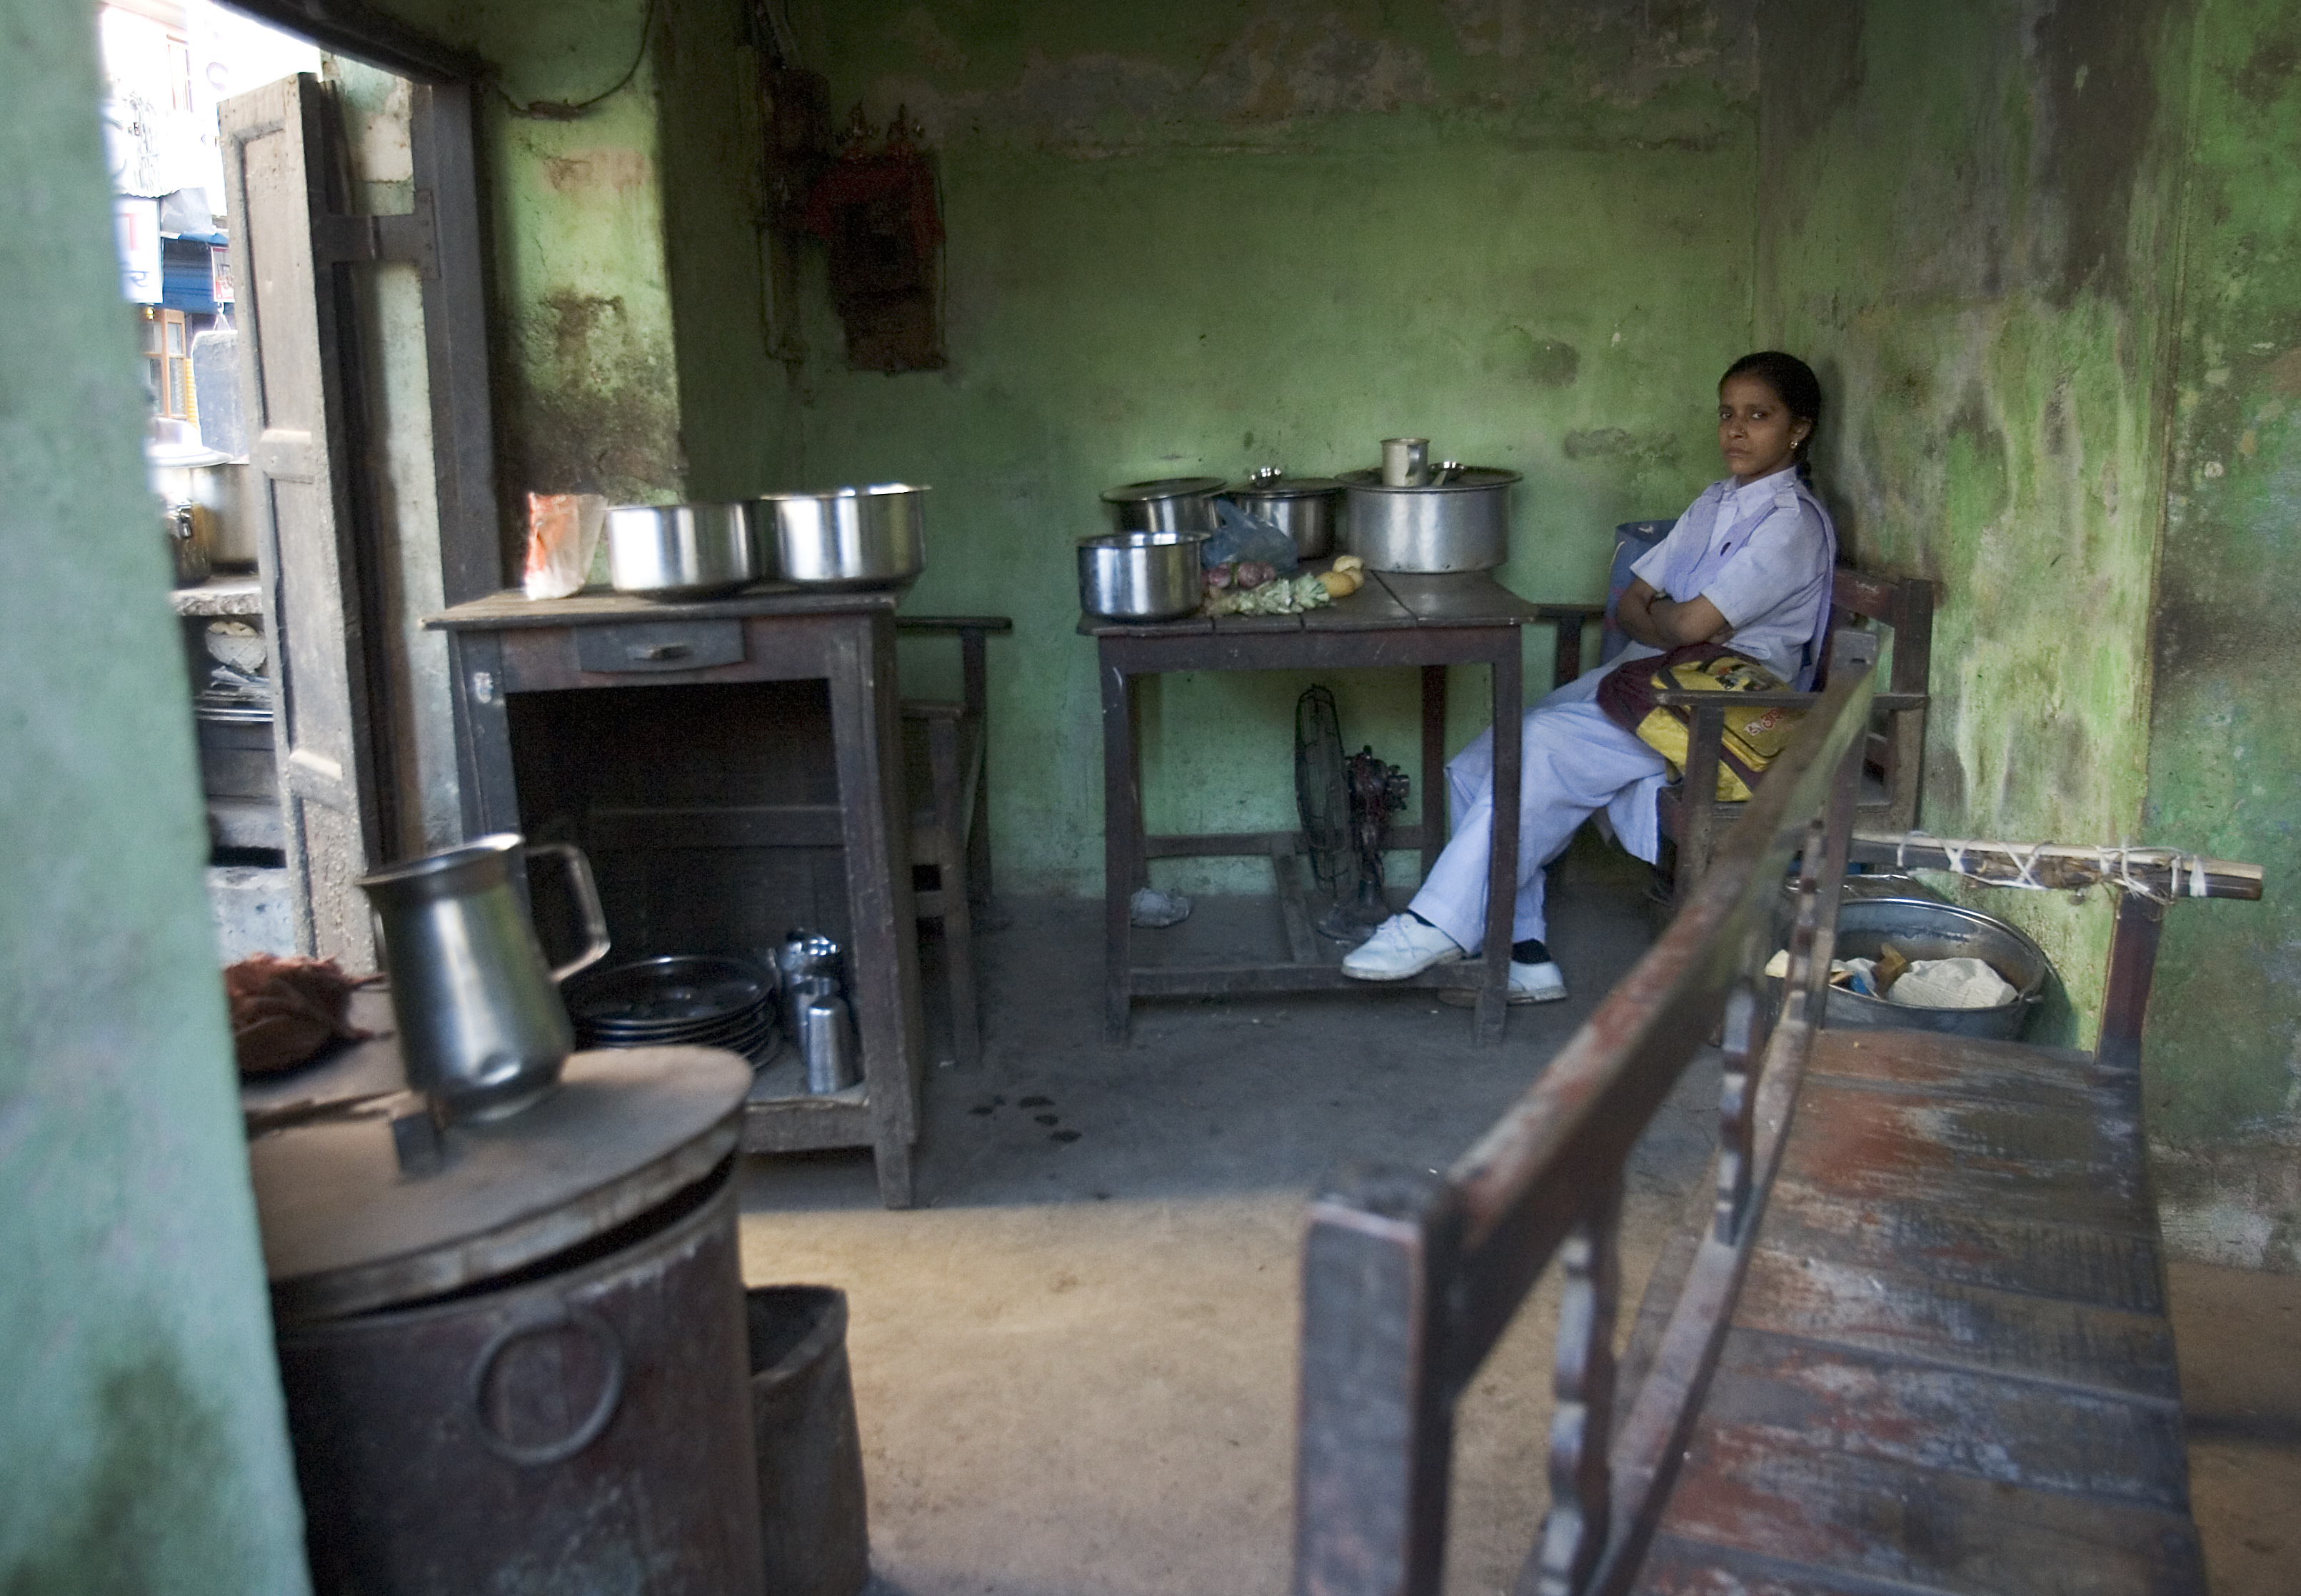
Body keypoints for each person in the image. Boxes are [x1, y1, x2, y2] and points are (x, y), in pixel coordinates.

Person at [1342, 351, 1838, 1002]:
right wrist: (1674, 623)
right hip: (1661, 680)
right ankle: (1523, 952)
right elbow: (1635, 605)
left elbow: (1681, 625)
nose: (1736, 431)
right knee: (1480, 761)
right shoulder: (1717, 502)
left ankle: (1437, 922)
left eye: (1759, 416)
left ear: (1798, 429)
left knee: (1542, 746)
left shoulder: (1791, 525)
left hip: (1729, 709)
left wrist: (1672, 623)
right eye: (1727, 414)